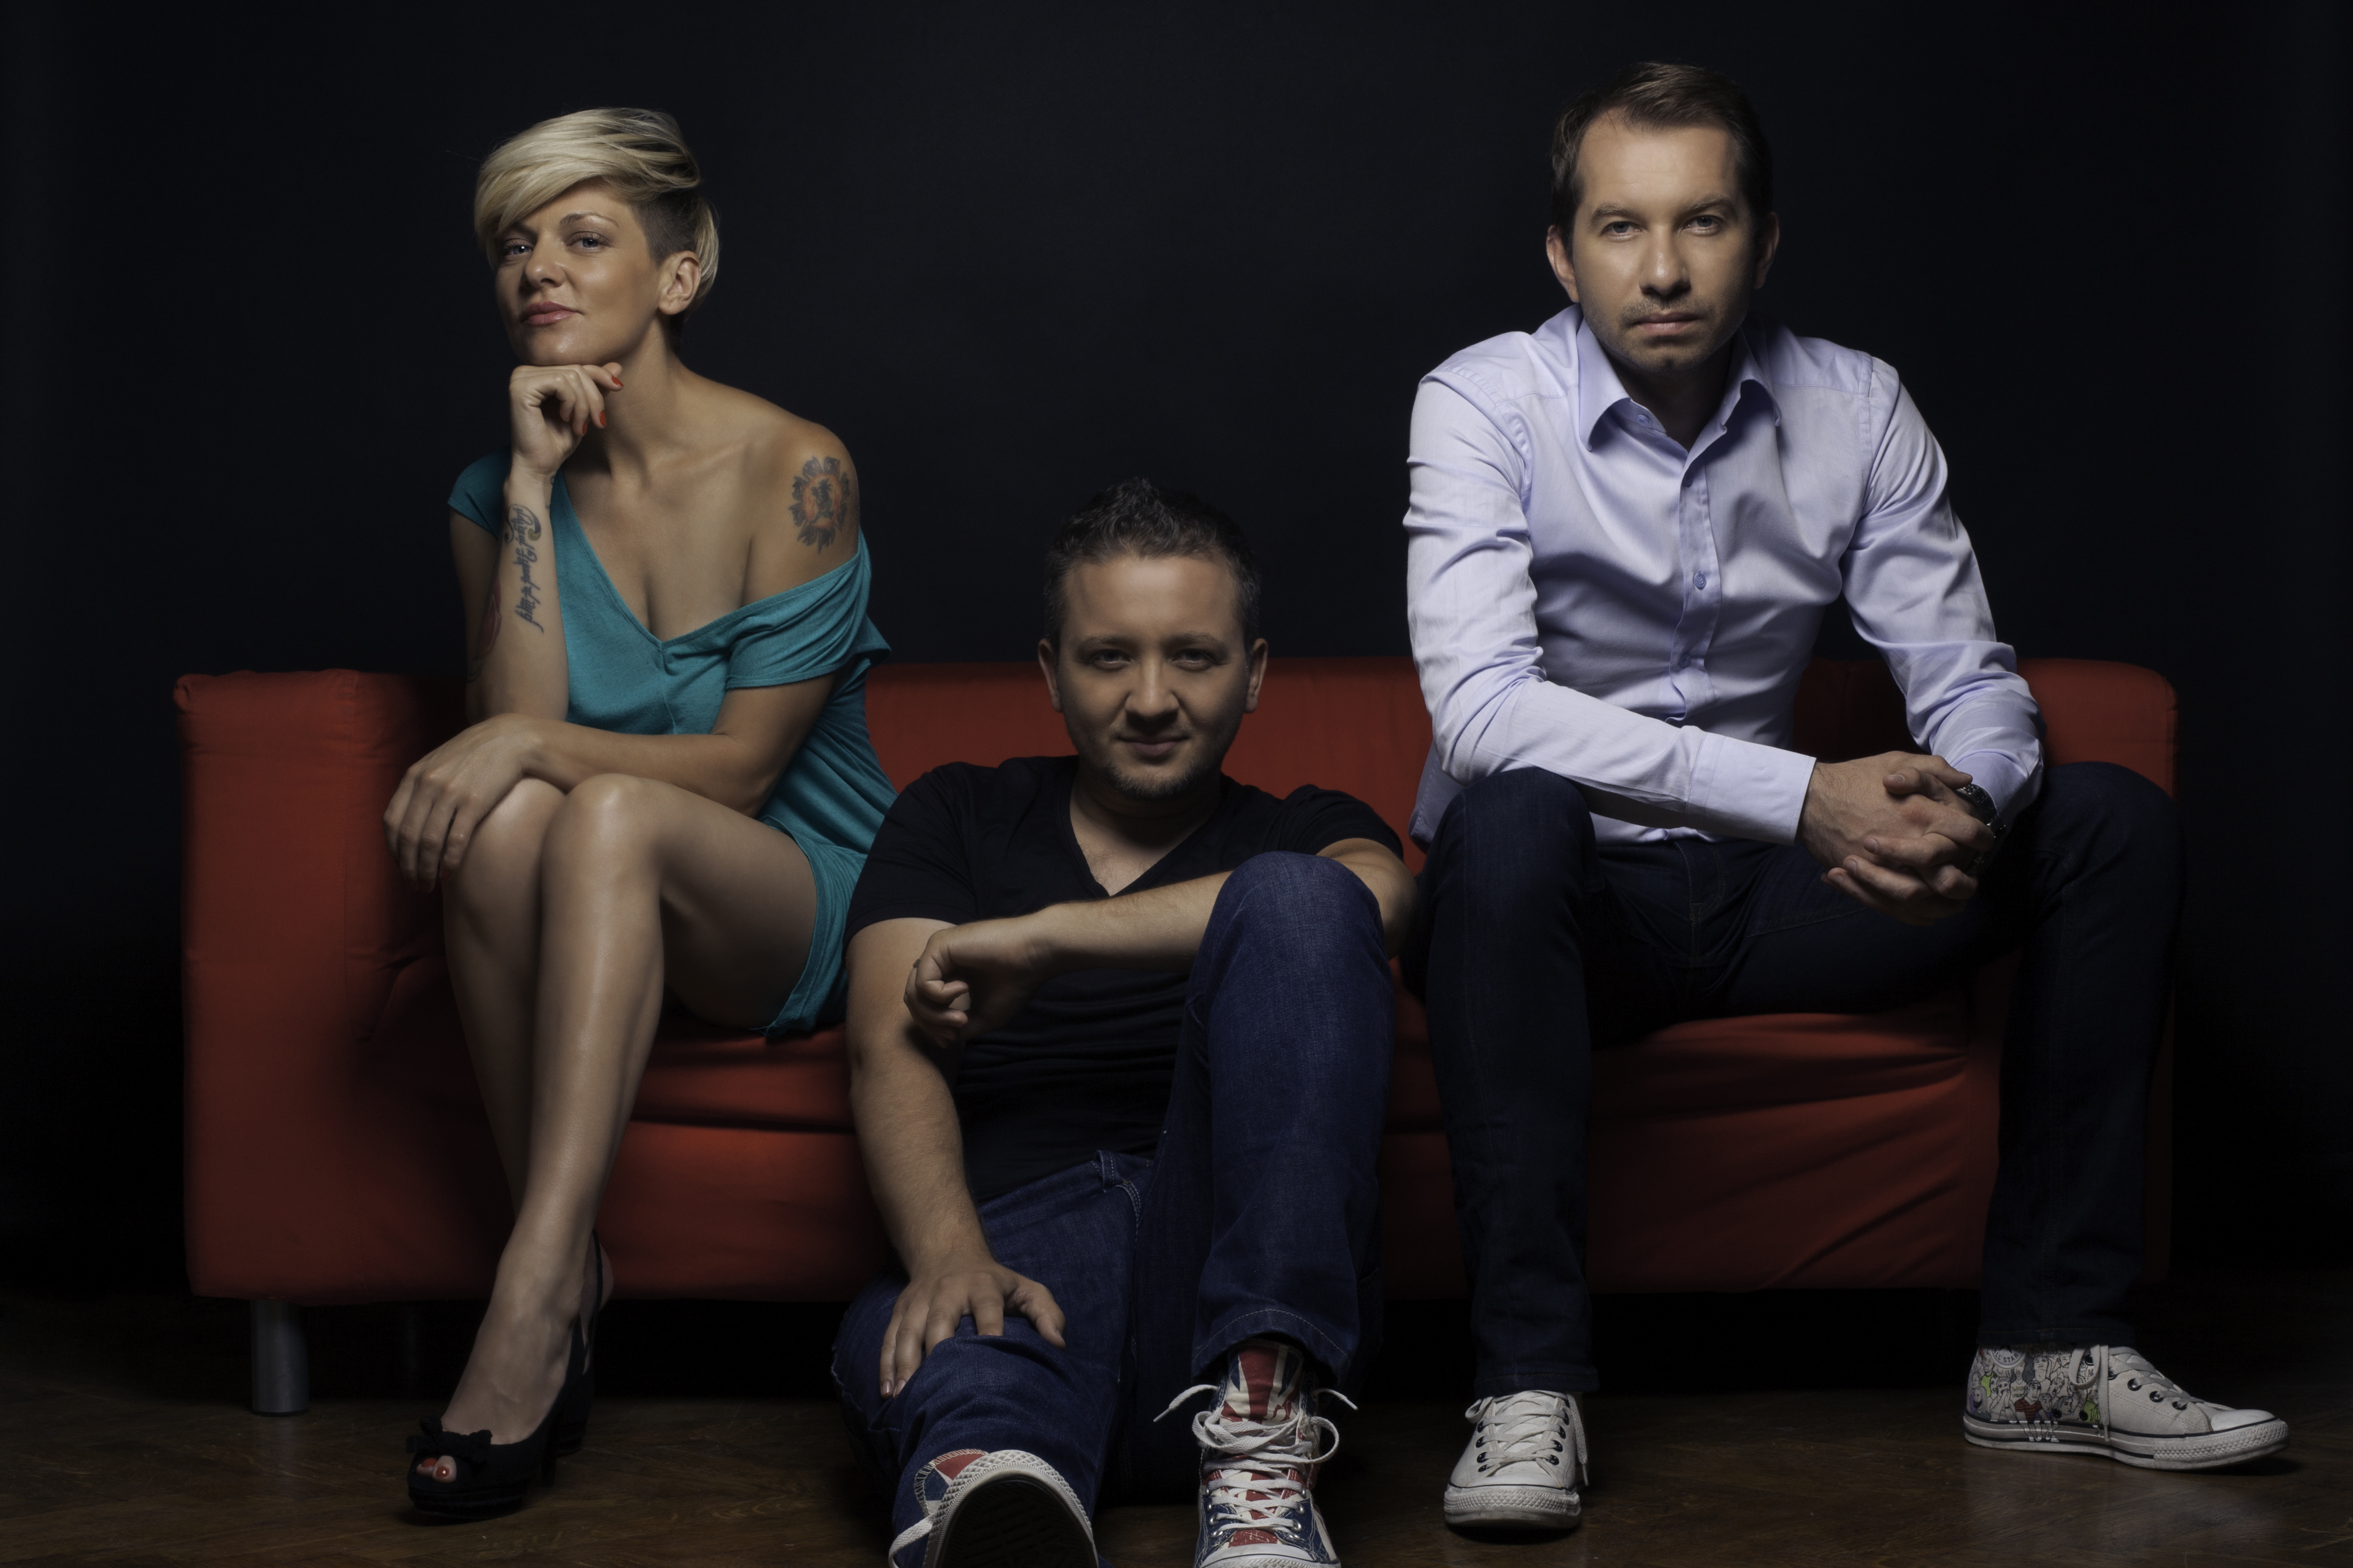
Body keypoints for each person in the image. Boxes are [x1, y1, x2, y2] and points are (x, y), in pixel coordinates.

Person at [1403, 62, 2286, 1535]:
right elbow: (1484, 713)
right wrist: (1804, 793)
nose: (1664, 268)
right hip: (1558, 909)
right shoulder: (1483, 400)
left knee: (2109, 823)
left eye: (1703, 222)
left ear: (1763, 242)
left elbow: (1968, 678)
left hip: (1772, 901)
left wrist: (1966, 811)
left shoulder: (1853, 403)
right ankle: (1527, 1385)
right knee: (1508, 817)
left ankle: (2046, 1350)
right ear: (1562, 253)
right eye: (1620, 227)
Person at [379, 108, 898, 1516]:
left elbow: (741, 773)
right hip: (588, 887)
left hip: (795, 885)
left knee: (592, 803)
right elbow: (511, 747)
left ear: (678, 275)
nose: (537, 267)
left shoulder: (796, 468)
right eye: (514, 245)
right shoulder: (491, 495)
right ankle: (572, 1270)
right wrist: (532, 486)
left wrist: (523, 744)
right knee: (507, 819)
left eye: (583, 236)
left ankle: (533, 1291)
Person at [833, 480, 1415, 1568]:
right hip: (1017, 1262)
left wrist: (1049, 938)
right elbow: (887, 1040)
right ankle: (995, 1487)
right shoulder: (956, 813)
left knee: (1301, 897)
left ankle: (1259, 1449)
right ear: (1052, 672)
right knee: (955, 1350)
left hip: (1239, 1286)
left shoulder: (1306, 829)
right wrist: (951, 1254)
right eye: (1109, 658)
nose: (1152, 699)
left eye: (1193, 656)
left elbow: (1377, 899)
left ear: (1254, 672)